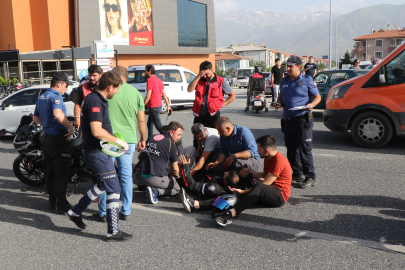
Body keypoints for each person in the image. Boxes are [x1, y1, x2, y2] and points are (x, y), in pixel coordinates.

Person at [67, 71, 133, 241]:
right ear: (110, 87)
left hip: (98, 151)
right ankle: (113, 231)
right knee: (114, 188)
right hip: (96, 153)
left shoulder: (94, 98)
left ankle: (75, 211)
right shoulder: (95, 100)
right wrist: (119, 141)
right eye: (116, 89)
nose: (117, 92)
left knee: (104, 185)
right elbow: (97, 131)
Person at [94, 66, 147, 223]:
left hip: (108, 140)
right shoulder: (136, 93)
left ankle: (103, 211)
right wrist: (143, 138)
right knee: (125, 176)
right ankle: (126, 210)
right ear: (127, 76)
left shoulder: (107, 92)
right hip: (129, 140)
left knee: (106, 176)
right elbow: (142, 121)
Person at [214, 136, 292, 226]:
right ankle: (204, 205)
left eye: (259, 149)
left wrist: (244, 192)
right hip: (269, 191)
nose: (257, 151)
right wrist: (249, 172)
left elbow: (265, 184)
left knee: (256, 187)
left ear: (267, 150)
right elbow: (264, 176)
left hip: (279, 196)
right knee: (243, 188)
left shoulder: (279, 161)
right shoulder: (268, 158)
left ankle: (231, 214)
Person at [273, 55, 321, 189]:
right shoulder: (284, 81)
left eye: (291, 66)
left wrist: (312, 104)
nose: (288, 69)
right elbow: (281, 95)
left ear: (299, 67)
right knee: (291, 149)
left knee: (305, 149)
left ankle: (310, 176)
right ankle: (298, 174)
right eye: (287, 66)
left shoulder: (306, 80)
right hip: (288, 120)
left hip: (302, 119)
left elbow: (317, 97)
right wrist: (278, 102)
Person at [32, 72, 74, 214]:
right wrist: (69, 126)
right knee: (61, 173)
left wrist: (47, 124)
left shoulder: (42, 97)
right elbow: (58, 114)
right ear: (59, 84)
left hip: (47, 138)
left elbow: (36, 118)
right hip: (58, 139)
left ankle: (52, 201)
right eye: (66, 85)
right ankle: (61, 204)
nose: (66, 88)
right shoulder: (56, 97)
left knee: (50, 171)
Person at [187, 61, 235, 148]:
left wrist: (222, 104)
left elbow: (232, 96)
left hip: (213, 114)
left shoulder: (221, 80)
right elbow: (189, 89)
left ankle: (212, 158)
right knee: (197, 137)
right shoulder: (199, 79)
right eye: (203, 74)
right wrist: (198, 76)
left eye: (207, 73)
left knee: (213, 136)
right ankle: (198, 156)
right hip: (199, 114)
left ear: (212, 70)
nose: (205, 76)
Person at [134, 121, 183, 204]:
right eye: (178, 135)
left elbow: (139, 157)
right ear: (171, 132)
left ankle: (150, 185)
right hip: (153, 178)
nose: (179, 138)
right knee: (177, 189)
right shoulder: (172, 145)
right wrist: (178, 177)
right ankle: (156, 191)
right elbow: (175, 171)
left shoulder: (152, 137)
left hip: (139, 176)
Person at [71, 65, 103, 130]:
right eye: (90, 75)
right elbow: (77, 104)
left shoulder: (105, 87)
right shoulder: (83, 87)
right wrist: (77, 118)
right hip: (88, 122)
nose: (91, 78)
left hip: (103, 120)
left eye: (94, 75)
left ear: (101, 75)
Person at [144, 64, 172, 138]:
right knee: (149, 124)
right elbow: (164, 95)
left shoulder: (149, 80)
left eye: (145, 71)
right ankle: (149, 140)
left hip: (153, 106)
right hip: (158, 105)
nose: (145, 73)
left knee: (159, 127)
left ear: (149, 71)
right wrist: (168, 106)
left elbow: (148, 95)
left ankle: (169, 140)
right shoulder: (159, 80)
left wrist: (142, 105)